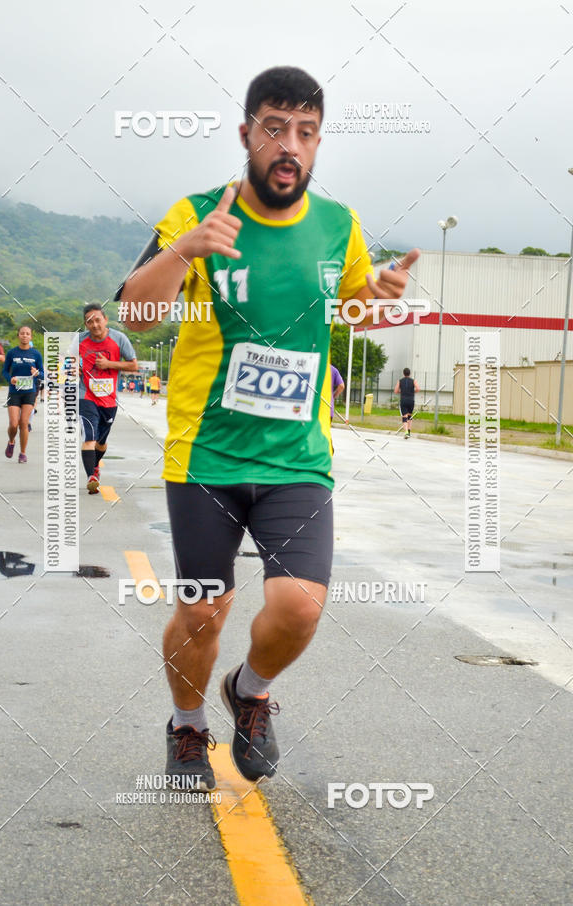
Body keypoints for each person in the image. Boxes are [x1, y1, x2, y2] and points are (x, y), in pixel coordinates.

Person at [116, 66, 419, 789]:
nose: (291, 146)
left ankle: (248, 693)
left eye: (306, 133)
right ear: (247, 132)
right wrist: (184, 250)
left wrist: (380, 298)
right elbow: (136, 315)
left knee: (300, 606)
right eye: (275, 129)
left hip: (297, 454)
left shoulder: (338, 224)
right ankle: (187, 726)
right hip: (208, 453)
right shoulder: (196, 211)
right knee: (203, 612)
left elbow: (350, 305)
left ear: (318, 143)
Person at [78, 304, 138, 494]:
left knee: (101, 442)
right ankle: (91, 477)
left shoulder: (119, 338)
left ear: (105, 319)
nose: (94, 324)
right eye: (90, 321)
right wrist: (72, 369)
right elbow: (64, 362)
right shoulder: (78, 341)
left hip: (109, 398)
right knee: (89, 437)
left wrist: (108, 364)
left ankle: (95, 466)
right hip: (85, 395)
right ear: (85, 324)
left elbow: (133, 365)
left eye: (97, 320)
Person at [2, 326, 43, 462]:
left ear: (31, 336)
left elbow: (42, 373)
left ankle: (23, 453)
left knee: (24, 423)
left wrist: (36, 373)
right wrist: (10, 379)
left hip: (29, 392)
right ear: (18, 335)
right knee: (14, 424)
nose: (25, 336)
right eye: (22, 333)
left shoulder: (36, 354)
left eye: (27, 334)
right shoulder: (12, 353)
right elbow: (5, 371)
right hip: (15, 392)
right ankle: (11, 441)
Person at [394, 367, 420, 438]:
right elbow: (418, 389)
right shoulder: (413, 381)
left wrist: (401, 391)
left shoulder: (400, 381)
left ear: (403, 373)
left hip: (403, 400)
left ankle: (405, 432)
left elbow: (395, 391)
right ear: (410, 373)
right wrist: (412, 391)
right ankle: (409, 431)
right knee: (409, 416)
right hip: (411, 400)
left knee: (404, 416)